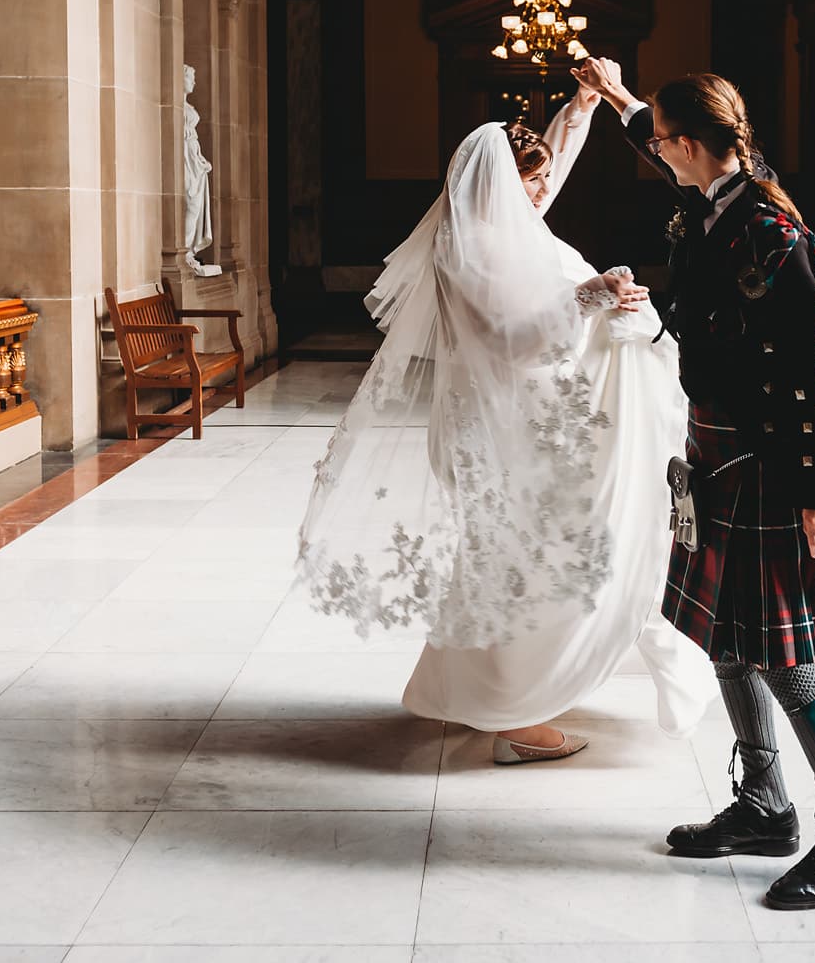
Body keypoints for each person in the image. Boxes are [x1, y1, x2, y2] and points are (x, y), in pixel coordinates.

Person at [572, 57, 815, 911]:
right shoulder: (715, 197)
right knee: (727, 632)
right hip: (715, 454)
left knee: (784, 649)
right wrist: (620, 95)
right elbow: (663, 154)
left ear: (694, 143)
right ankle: (767, 804)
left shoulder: (769, 231)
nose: (656, 151)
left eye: (664, 140)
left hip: (773, 468)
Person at [297, 89, 714, 764]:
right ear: (501, 182)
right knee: (536, 559)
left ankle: (493, 691)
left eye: (545, 176)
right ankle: (516, 718)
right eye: (534, 179)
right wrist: (592, 296)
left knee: (537, 559)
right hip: (512, 431)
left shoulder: (508, 231)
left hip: (540, 421)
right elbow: (506, 337)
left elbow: (553, 181)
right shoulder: (472, 250)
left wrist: (582, 108)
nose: (546, 189)